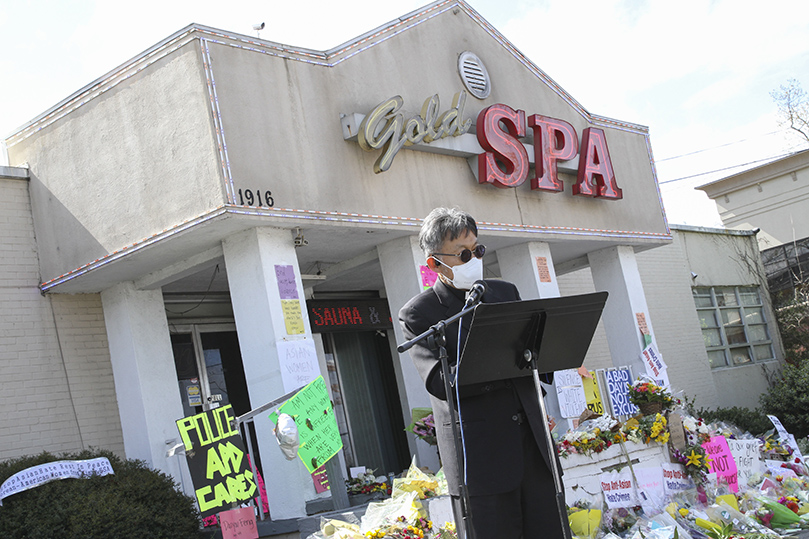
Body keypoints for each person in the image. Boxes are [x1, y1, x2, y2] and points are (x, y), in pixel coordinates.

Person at [399, 207, 568, 539]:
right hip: (481, 460)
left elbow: (533, 356)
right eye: (463, 254)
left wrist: (555, 348)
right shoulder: (420, 314)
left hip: (533, 450)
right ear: (434, 263)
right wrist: (493, 355)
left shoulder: (504, 293)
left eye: (477, 250)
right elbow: (437, 381)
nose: (474, 259)